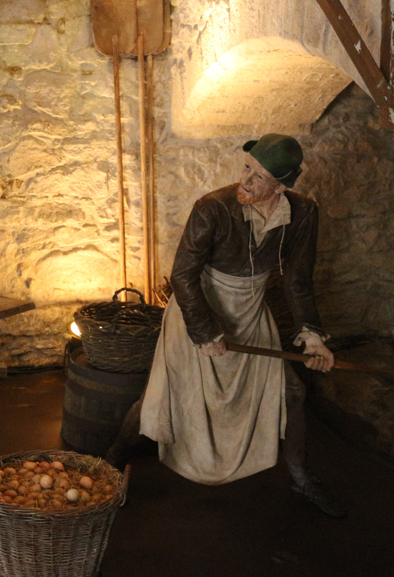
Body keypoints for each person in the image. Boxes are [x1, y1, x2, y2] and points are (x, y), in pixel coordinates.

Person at [106, 133, 346, 517]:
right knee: (160, 398)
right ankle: (113, 462)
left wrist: (313, 338)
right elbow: (182, 275)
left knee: (292, 393)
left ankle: (301, 478)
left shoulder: (302, 213)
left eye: (260, 176)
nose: (246, 182)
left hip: (251, 311)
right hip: (198, 307)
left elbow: (298, 279)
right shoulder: (213, 208)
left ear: (281, 185)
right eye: (247, 168)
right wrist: (206, 332)